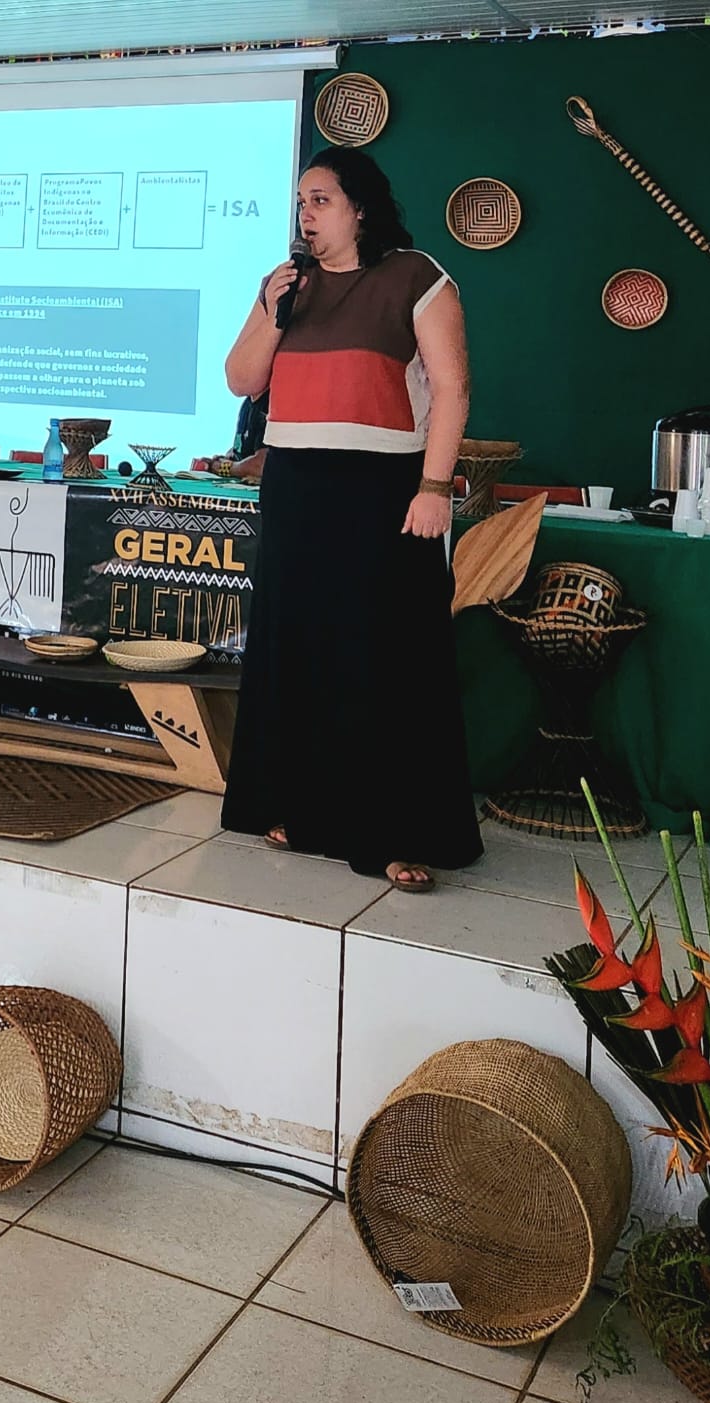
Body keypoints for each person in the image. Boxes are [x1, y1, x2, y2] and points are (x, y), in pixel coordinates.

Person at [218, 145, 482, 891]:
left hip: (383, 489)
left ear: (360, 208)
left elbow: (453, 389)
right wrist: (274, 312)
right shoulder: (285, 286)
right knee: (298, 648)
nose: (306, 213)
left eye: (322, 199)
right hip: (296, 485)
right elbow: (241, 379)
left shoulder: (415, 277)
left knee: (379, 658)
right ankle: (299, 810)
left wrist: (434, 486)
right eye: (301, 201)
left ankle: (391, 832)